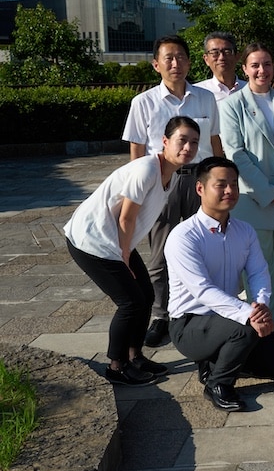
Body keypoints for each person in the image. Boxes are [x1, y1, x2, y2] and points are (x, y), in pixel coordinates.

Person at [64, 117, 200, 386]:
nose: (188, 147)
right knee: (130, 303)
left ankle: (135, 356)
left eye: (194, 142)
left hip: (114, 241)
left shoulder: (169, 175)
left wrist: (125, 250)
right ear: (165, 142)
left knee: (146, 295)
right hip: (92, 241)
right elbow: (126, 218)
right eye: (181, 140)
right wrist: (125, 255)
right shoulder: (147, 169)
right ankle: (116, 368)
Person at [167, 157, 274, 412]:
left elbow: (259, 272)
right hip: (191, 324)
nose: (230, 190)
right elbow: (203, 291)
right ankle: (217, 383)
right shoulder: (183, 237)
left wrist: (260, 306)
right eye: (221, 184)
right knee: (245, 326)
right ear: (200, 189)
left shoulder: (245, 230)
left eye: (234, 184)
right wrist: (250, 315)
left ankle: (223, 359)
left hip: (229, 316)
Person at [122, 34, 222, 348]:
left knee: (204, 245)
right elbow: (137, 152)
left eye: (180, 57)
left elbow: (215, 141)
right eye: (168, 58)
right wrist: (141, 190)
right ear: (156, 64)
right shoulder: (143, 103)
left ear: (190, 62)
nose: (175, 63)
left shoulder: (206, 98)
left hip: (199, 181)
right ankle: (161, 315)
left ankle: (200, 308)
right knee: (160, 253)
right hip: (161, 181)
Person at [219, 42, 274, 337]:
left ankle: (270, 317)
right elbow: (236, 154)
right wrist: (268, 190)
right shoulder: (232, 105)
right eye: (255, 65)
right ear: (244, 69)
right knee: (260, 270)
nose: (262, 70)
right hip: (253, 200)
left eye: (267, 64)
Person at [194, 32, 243, 101]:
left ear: (237, 57)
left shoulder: (251, 90)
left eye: (227, 52)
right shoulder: (196, 93)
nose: (221, 58)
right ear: (206, 59)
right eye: (215, 53)